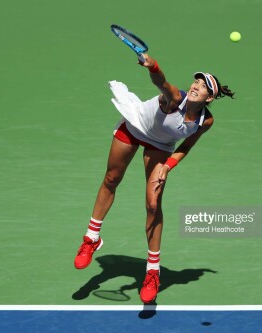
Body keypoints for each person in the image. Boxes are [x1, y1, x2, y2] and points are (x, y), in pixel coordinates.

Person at [74, 53, 234, 303]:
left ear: (210, 98)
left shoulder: (206, 120)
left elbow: (186, 146)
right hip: (135, 126)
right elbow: (162, 82)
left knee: (153, 204)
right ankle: (91, 238)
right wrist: (154, 67)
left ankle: (152, 271)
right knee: (112, 179)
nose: (196, 86)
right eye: (196, 82)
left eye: (203, 86)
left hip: (161, 145)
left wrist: (167, 166)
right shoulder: (176, 98)